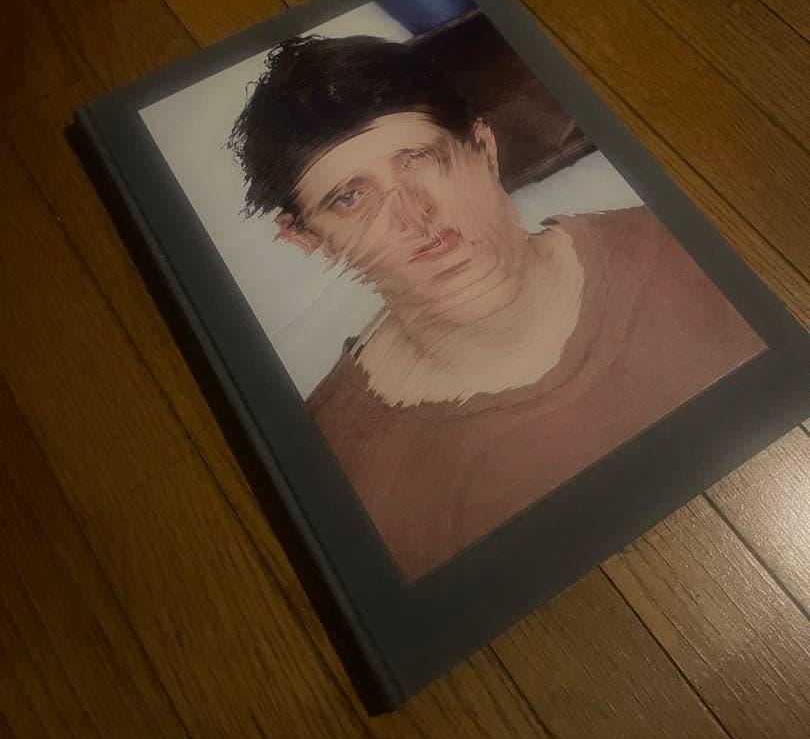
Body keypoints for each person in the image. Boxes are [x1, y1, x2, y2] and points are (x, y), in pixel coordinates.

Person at [229, 34, 765, 580]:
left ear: (484, 149)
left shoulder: (683, 248)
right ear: (307, 238)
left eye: (421, 160)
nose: (415, 216)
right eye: (351, 198)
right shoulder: (340, 469)